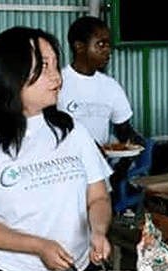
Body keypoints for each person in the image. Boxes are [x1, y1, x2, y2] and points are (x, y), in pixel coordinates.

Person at [0, 26, 113, 271]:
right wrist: (38, 245)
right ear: (11, 75)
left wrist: (98, 231)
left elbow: (98, 197)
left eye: (56, 66)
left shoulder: (73, 131)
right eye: (44, 67)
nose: (56, 77)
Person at [57, 16, 142, 192]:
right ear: (79, 46)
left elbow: (124, 130)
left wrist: (126, 160)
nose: (108, 51)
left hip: (99, 177)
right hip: (63, 178)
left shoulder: (111, 87)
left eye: (108, 44)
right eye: (101, 45)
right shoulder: (57, 83)